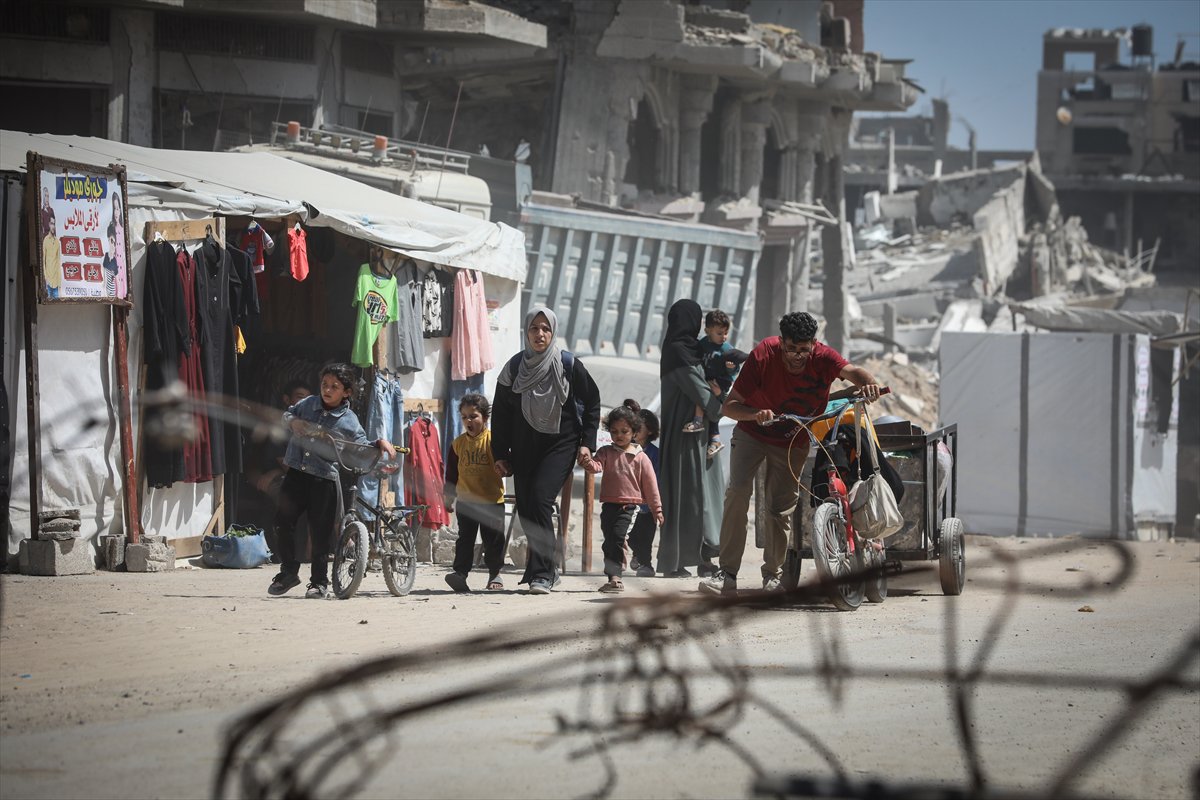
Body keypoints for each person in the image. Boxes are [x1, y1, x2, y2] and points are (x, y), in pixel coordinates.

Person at [699, 312, 881, 596]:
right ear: (781, 342)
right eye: (791, 349)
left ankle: (773, 576)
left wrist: (868, 382)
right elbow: (730, 407)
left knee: (779, 508)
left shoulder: (824, 357)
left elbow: (853, 372)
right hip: (752, 434)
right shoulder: (764, 354)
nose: (797, 356)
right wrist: (756, 414)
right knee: (737, 494)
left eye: (803, 350)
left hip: (793, 439)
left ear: (814, 344)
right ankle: (727, 573)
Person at [492, 307, 601, 595]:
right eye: (534, 328)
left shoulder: (569, 365)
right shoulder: (514, 368)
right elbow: (500, 414)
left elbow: (592, 403)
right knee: (528, 507)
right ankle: (547, 570)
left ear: (553, 332)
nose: (540, 334)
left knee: (540, 499)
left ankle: (542, 574)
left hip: (560, 444)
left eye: (545, 328)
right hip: (523, 446)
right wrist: (500, 453)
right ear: (526, 332)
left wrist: (587, 443)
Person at [268, 364, 395, 599]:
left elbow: (361, 446)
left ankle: (319, 583)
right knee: (282, 523)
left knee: (320, 533)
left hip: (323, 479)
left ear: (347, 392)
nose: (327, 390)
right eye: (324, 384)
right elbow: (287, 414)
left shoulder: (349, 421)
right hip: (296, 473)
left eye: (334, 387)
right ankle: (288, 572)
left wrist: (378, 443)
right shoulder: (308, 404)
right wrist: (293, 422)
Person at [656, 299, 725, 578]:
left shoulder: (689, 351)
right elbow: (703, 395)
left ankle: (703, 559)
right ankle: (678, 562)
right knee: (690, 499)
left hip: (697, 437)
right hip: (686, 439)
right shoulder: (679, 353)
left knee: (700, 499)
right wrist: (719, 402)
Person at [580, 402, 663, 593]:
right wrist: (586, 462)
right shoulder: (605, 452)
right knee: (609, 541)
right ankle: (612, 577)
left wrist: (657, 509)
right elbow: (596, 467)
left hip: (629, 506)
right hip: (609, 505)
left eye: (624, 431)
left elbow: (651, 486)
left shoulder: (641, 457)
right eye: (614, 431)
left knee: (618, 537)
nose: (619, 435)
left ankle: (617, 577)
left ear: (634, 432)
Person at [444, 393, 506, 593]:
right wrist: (448, 497)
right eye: (464, 417)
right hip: (466, 502)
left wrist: (505, 468)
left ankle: (495, 573)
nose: (468, 421)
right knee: (465, 540)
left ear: (485, 417)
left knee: (493, 540)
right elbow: (451, 474)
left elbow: (507, 464)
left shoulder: (494, 440)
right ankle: (460, 574)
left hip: (491, 500)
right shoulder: (457, 444)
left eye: (473, 416)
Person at [684, 309, 748, 460]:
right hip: (707, 379)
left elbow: (734, 371)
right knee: (706, 404)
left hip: (720, 382)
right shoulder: (702, 344)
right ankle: (715, 440)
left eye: (726, 333)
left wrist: (730, 368)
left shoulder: (726, 349)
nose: (723, 337)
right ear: (708, 331)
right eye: (719, 333)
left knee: (708, 403)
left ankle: (698, 422)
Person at [628, 402, 661, 578]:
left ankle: (646, 565)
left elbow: (655, 479)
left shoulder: (655, 453)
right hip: (629, 502)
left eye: (639, 427)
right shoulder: (626, 449)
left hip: (647, 504)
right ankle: (637, 555)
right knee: (630, 535)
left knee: (646, 536)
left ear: (649, 431)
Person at [42, 212, 61, 299]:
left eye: (54, 224)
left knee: (56, 304)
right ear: (49, 225)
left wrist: (59, 284)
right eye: (52, 224)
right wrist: (45, 278)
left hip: (56, 282)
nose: (53, 226)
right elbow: (43, 260)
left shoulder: (57, 242)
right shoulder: (45, 240)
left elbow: (58, 262)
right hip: (48, 282)